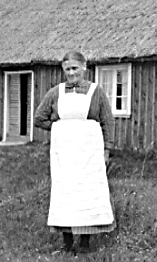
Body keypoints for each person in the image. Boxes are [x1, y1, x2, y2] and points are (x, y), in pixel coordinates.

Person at [34, 51, 115, 254]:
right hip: (65, 153)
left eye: (75, 68)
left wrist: (107, 149)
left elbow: (107, 121)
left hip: (89, 153)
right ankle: (67, 243)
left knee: (87, 193)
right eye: (67, 69)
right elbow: (39, 118)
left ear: (84, 67)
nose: (71, 73)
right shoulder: (56, 92)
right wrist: (59, 127)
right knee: (66, 193)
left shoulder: (96, 92)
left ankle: (85, 243)